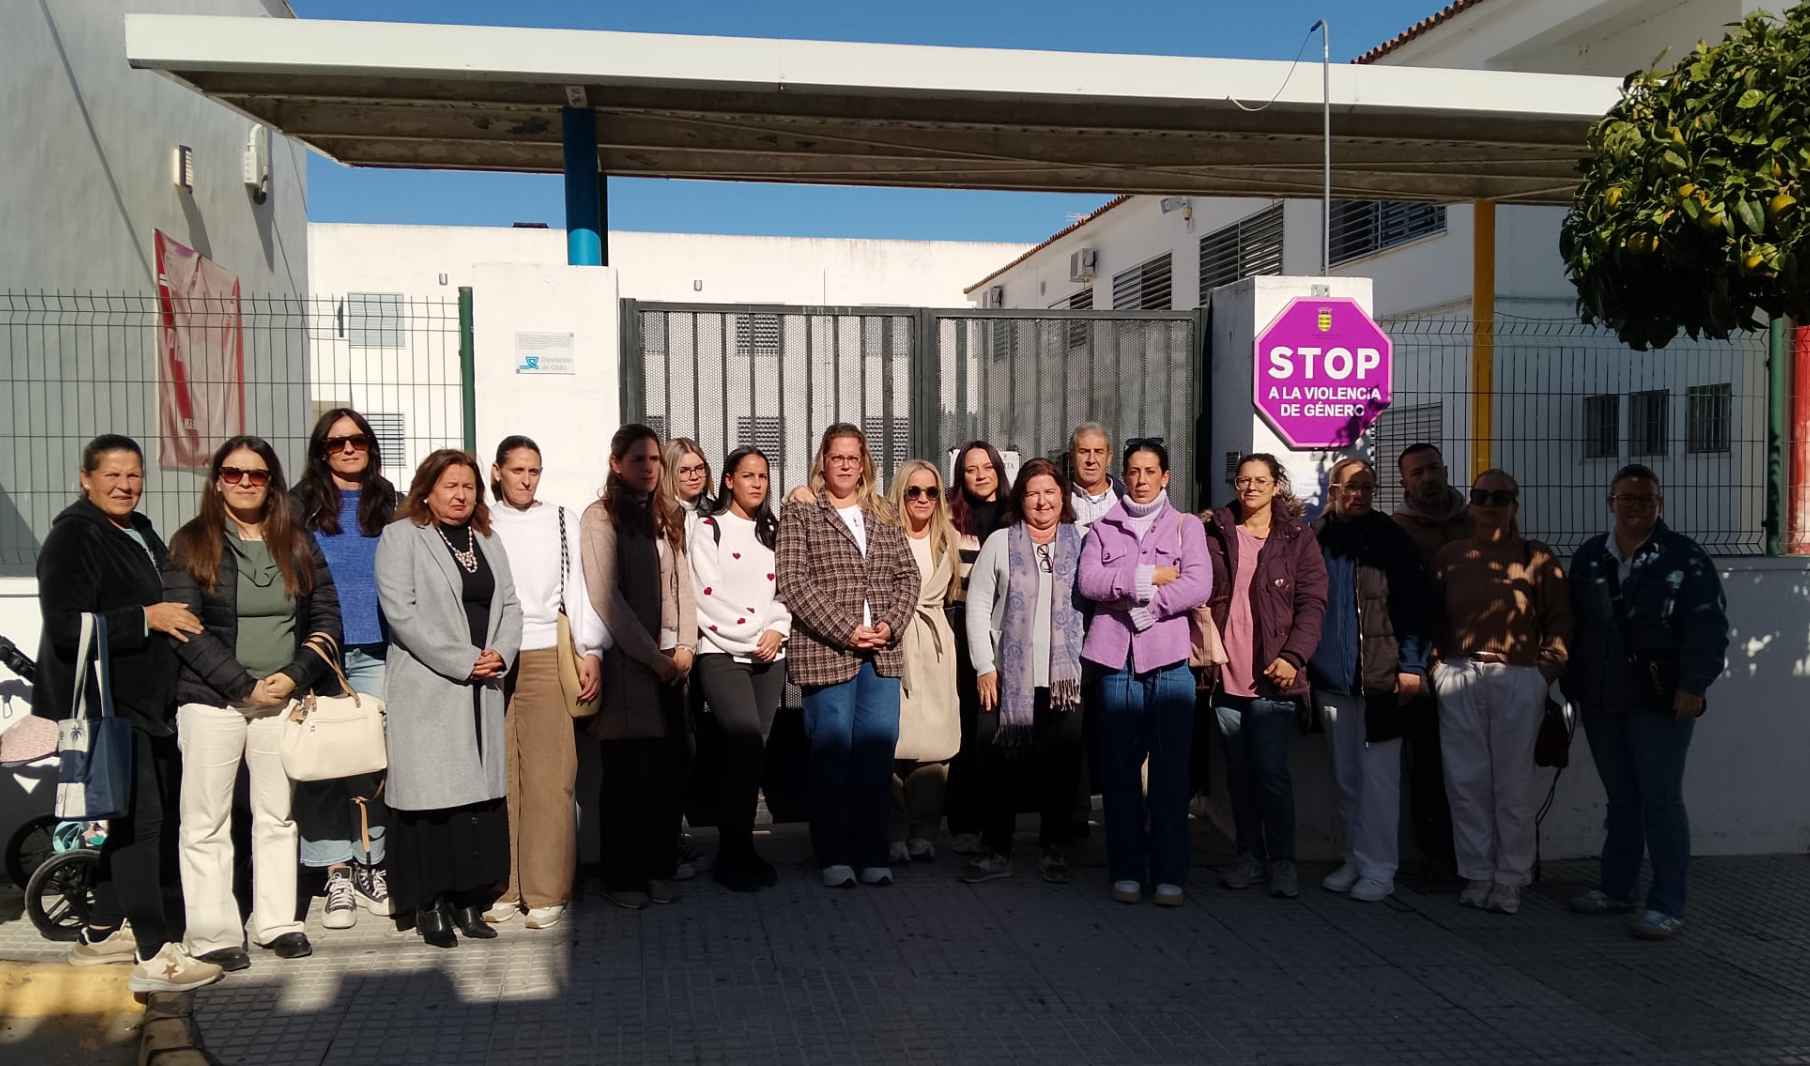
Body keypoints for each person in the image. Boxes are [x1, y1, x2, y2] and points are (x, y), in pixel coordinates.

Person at [34, 434, 219, 992]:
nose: (125, 485)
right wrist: (147, 617)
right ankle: (154, 953)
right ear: (85, 478)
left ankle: (101, 931)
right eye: (112, 474)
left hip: (146, 702)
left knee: (121, 819)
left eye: (134, 474)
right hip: (107, 706)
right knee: (143, 824)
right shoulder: (73, 535)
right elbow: (67, 626)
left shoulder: (136, 528)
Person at [164, 436, 341, 969]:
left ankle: (277, 923)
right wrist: (242, 685)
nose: (245, 483)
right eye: (234, 473)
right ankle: (214, 933)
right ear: (218, 480)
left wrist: (291, 677)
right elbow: (186, 630)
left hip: (280, 700)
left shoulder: (297, 542)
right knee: (206, 820)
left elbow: (327, 617)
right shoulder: (191, 543)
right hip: (211, 702)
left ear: (272, 483)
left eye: (257, 475)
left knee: (278, 815)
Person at [1563, 464, 1728, 940]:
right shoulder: (1591, 556)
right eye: (1626, 498)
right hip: (1602, 697)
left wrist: (1694, 686)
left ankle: (1667, 903)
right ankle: (1616, 890)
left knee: (1660, 799)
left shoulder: (1685, 558)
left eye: (1645, 499)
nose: (1636, 507)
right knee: (1622, 798)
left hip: (1661, 700)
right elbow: (1577, 624)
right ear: (1610, 502)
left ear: (1660, 504)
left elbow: (1708, 627)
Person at [374, 449, 523, 947]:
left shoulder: (488, 539)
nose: (461, 495)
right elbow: (402, 614)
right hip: (430, 687)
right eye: (449, 486)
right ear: (426, 490)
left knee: (474, 801)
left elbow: (509, 603)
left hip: (484, 686)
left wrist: (500, 652)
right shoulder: (401, 537)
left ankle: (467, 899)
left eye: (469, 486)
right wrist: (463, 659)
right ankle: (430, 903)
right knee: (432, 801)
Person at [776, 424, 919, 888]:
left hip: (882, 653)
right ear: (822, 461)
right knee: (832, 756)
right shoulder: (801, 513)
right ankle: (835, 854)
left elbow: (908, 577)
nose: (844, 465)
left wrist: (889, 624)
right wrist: (845, 629)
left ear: (864, 465)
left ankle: (872, 851)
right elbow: (794, 582)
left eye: (852, 458)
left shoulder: (883, 515)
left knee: (876, 758)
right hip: (827, 651)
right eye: (836, 457)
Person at [1430, 468, 1570, 916]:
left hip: (1517, 675)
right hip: (1460, 673)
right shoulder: (1450, 555)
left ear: (1514, 504)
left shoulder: (1535, 558)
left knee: (1513, 784)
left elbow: (1562, 619)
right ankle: (1476, 873)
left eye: (1500, 496)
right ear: (1470, 502)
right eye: (1481, 495)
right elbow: (1431, 615)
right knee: (1465, 781)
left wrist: (1545, 671)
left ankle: (1510, 879)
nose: (1490, 503)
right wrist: (1437, 666)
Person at [1078, 439, 1212, 907]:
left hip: (1170, 663)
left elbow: (1198, 583)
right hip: (1116, 664)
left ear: (1165, 476)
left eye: (1150, 471)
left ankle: (1170, 872)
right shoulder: (1102, 528)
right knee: (1118, 773)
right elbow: (1089, 582)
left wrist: (1149, 610)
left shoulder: (1185, 526)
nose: (1140, 479)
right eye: (1133, 471)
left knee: (1171, 773)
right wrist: (1143, 578)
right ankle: (1128, 870)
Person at [484, 437, 606, 928]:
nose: (527, 480)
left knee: (550, 774)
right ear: (497, 472)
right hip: (490, 657)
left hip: (542, 650)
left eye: (535, 470)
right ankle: (506, 886)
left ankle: (547, 888)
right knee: (502, 775)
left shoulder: (560, 518)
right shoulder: (481, 521)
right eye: (517, 471)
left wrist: (589, 650)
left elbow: (578, 589)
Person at [581, 425, 698, 910]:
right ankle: (623, 876)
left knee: (667, 773)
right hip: (630, 666)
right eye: (637, 460)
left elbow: (683, 584)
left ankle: (658, 866)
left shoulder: (666, 513)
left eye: (653, 460)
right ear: (615, 464)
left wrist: (686, 644)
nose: (648, 469)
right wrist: (652, 658)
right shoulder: (599, 517)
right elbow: (606, 598)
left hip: (673, 663)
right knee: (628, 776)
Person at [290, 407, 396, 931]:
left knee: (371, 764)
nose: (349, 449)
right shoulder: (298, 506)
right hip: (321, 651)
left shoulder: (391, 502)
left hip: (377, 649)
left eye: (357, 441)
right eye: (336, 443)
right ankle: (334, 871)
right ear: (322, 452)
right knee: (325, 765)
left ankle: (370, 863)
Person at [1204, 454, 1328, 901]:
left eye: (1261, 480)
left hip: (1274, 676)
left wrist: (1294, 656)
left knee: (1272, 773)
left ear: (1277, 485)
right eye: (1243, 480)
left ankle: (1283, 863)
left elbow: (1313, 604)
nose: (1251, 488)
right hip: (1226, 673)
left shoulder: (1298, 537)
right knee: (1238, 775)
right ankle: (1248, 857)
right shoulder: (1216, 531)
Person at [1308, 458, 1431, 903]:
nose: (1359, 494)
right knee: (1345, 777)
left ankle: (1381, 868)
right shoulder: (1317, 537)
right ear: (1333, 489)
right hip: (1333, 677)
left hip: (1382, 678)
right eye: (1350, 486)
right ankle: (1354, 858)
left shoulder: (1392, 539)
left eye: (1367, 486)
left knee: (1380, 778)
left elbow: (1416, 607)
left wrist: (1412, 667)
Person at [962, 458, 1088, 885]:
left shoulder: (1081, 541)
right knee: (999, 767)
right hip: (1007, 678)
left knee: (1061, 768)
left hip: (1063, 682)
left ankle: (1054, 849)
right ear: (1021, 499)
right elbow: (978, 606)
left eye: (1050, 492)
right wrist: (983, 666)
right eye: (1033, 493)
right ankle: (996, 849)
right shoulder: (1001, 541)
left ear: (1062, 498)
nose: (1042, 500)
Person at [690, 446, 791, 891]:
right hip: (722, 652)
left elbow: (789, 588)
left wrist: (779, 630)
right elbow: (704, 594)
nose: (757, 483)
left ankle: (743, 846)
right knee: (742, 744)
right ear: (728, 480)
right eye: (747, 475)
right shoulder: (707, 529)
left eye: (763, 476)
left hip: (771, 655)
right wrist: (755, 635)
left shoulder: (775, 531)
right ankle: (731, 853)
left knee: (754, 755)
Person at [1392, 442, 1469, 883]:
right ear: (1404, 481)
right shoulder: (1400, 530)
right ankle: (1435, 859)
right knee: (1426, 766)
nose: (1428, 478)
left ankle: (1483, 857)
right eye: (1417, 472)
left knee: (1478, 767)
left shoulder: (1475, 521)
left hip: (1477, 662)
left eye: (1433, 469)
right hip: (1423, 661)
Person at [885, 459, 961, 865]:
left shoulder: (948, 539)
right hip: (894, 640)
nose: (922, 499)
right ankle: (893, 831)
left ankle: (924, 832)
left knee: (936, 744)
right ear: (900, 494)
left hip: (934, 646)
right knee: (892, 742)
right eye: (913, 491)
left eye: (931, 492)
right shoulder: (884, 535)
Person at [943, 439, 1011, 855]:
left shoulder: (1015, 513)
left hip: (1004, 630)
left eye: (987, 467)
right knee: (968, 725)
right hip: (960, 624)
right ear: (961, 476)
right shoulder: (949, 515)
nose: (980, 474)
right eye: (971, 469)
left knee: (996, 728)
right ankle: (962, 819)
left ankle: (995, 819)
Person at [661, 436, 711, 876]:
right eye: (685, 470)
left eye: (700, 468)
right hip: (674, 641)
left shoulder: (711, 512)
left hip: (711, 639)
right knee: (674, 742)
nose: (695, 476)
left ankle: (682, 831)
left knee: (695, 741)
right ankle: (669, 836)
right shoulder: (663, 517)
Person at [1066, 422, 1121, 534]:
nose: (1091, 460)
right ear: (1071, 458)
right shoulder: (1057, 501)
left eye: (1098, 452)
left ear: (1109, 458)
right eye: (1084, 452)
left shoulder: (1126, 501)